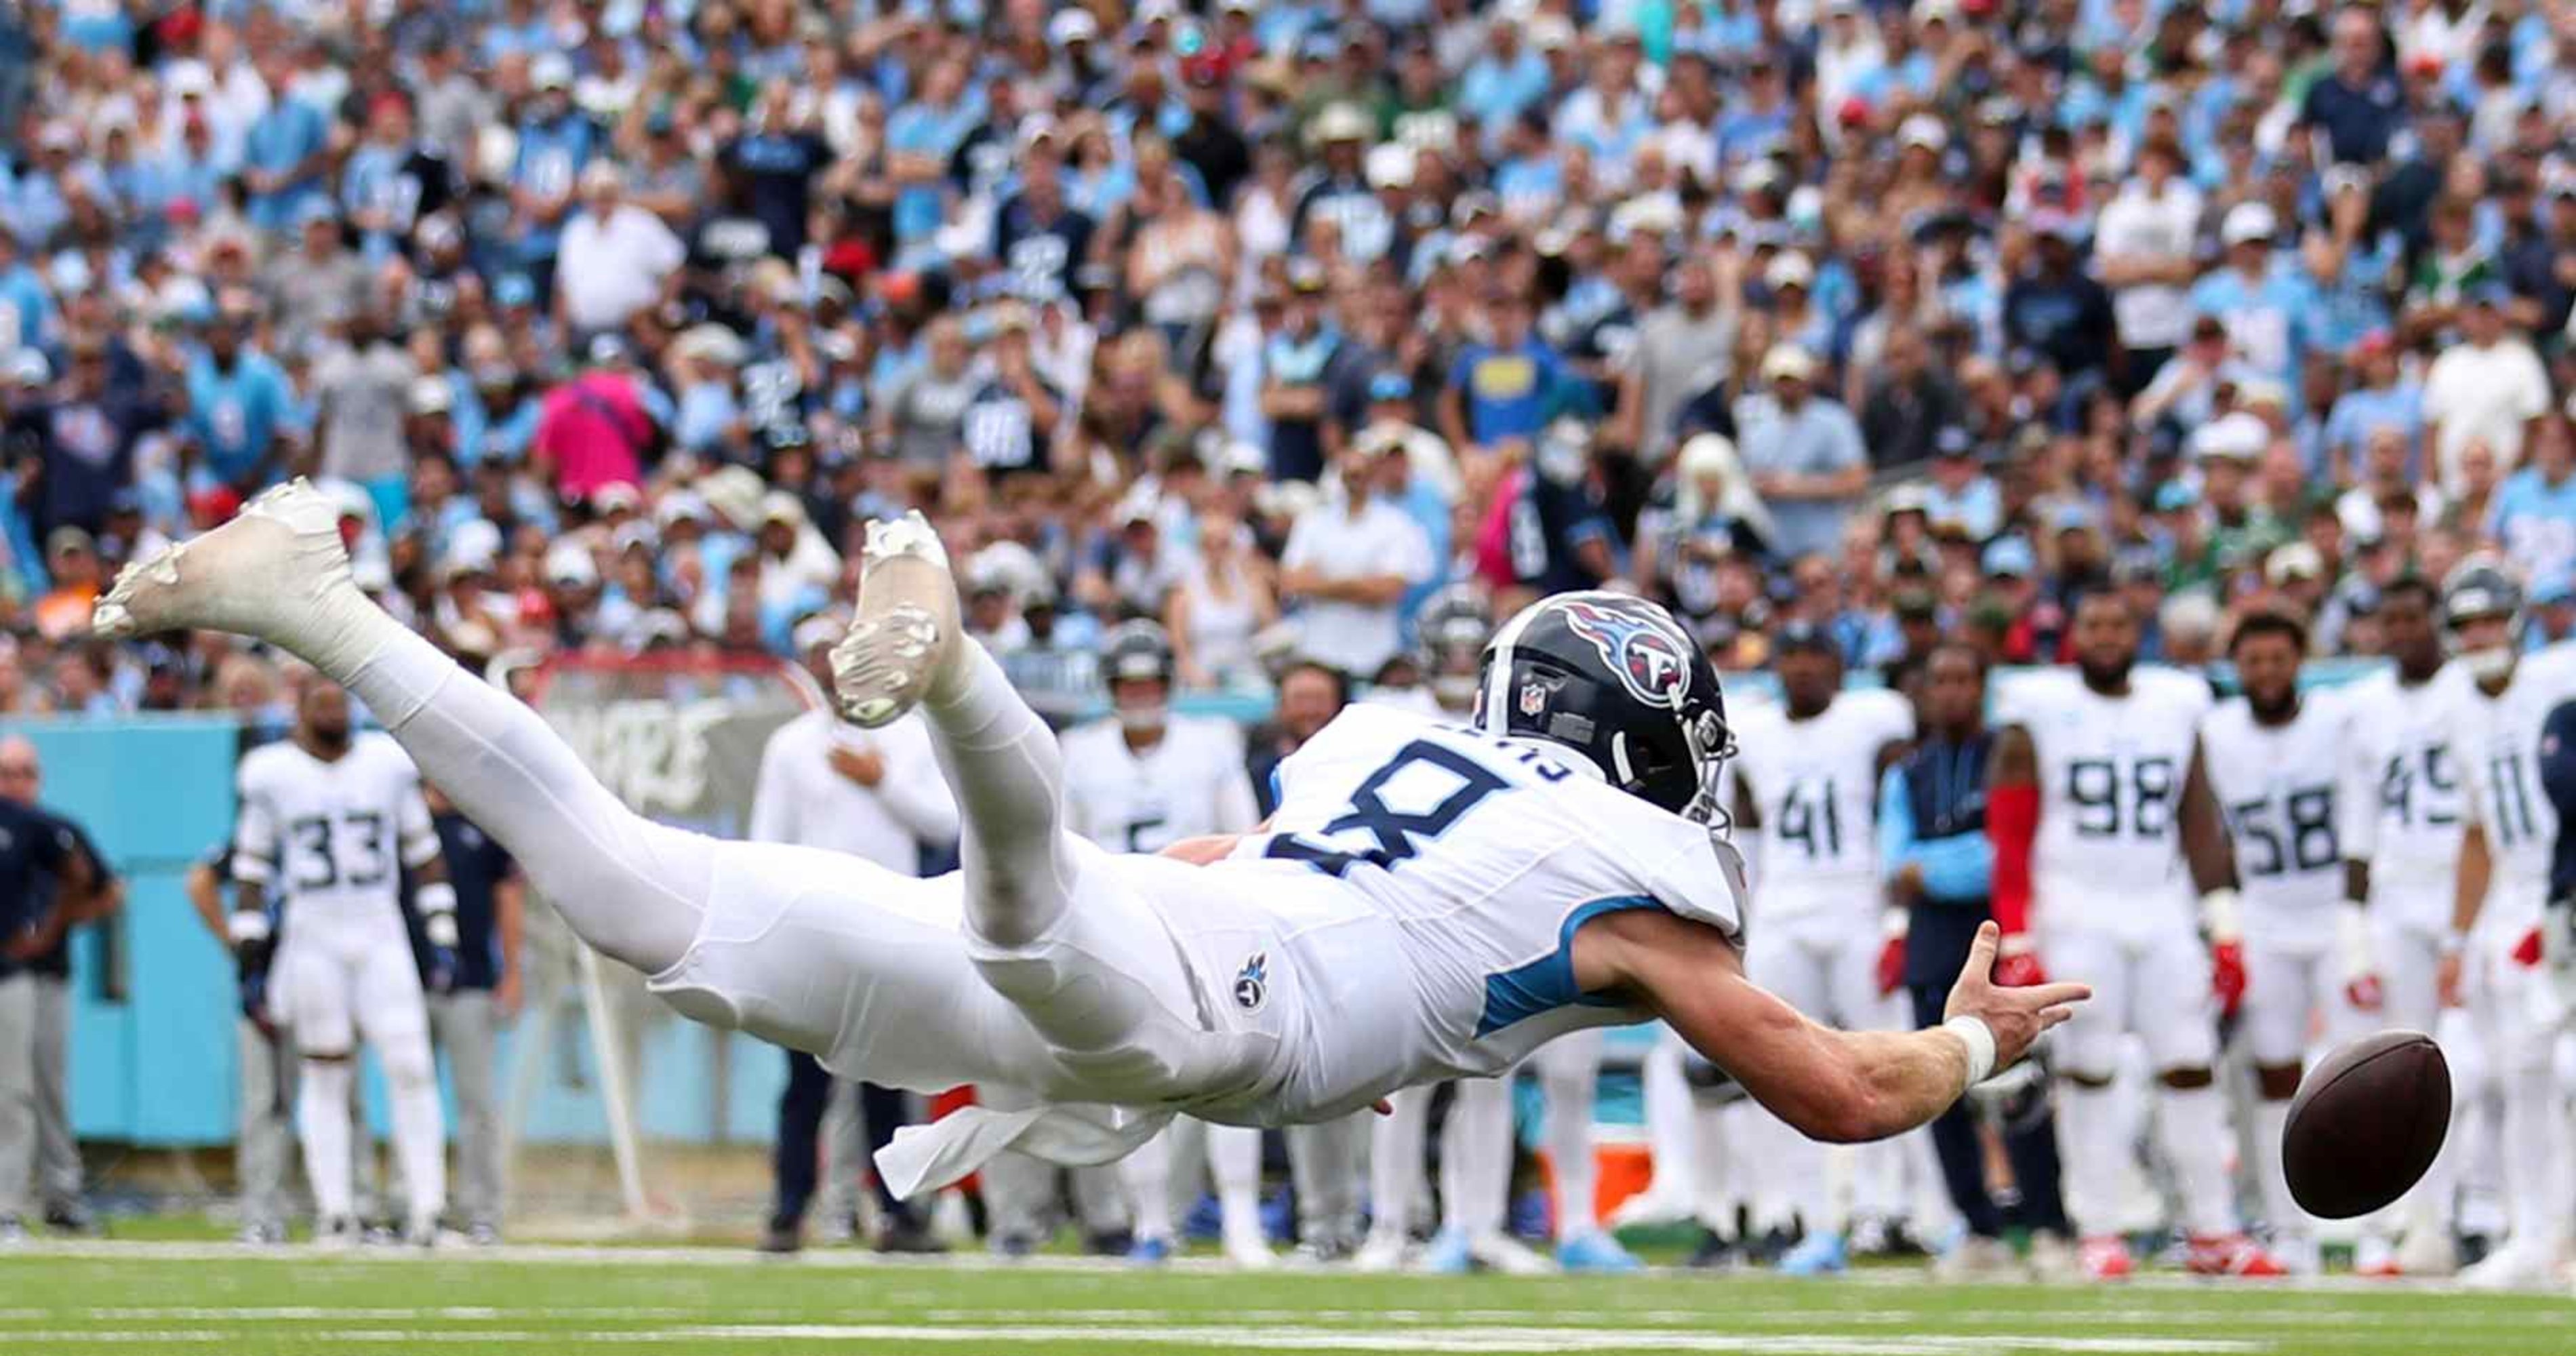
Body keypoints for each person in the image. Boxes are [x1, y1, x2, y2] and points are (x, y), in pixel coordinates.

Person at [94, 481, 2087, 1217]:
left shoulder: (1390, 738)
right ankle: (957, 675)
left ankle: (321, 606)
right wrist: (1981, 1034)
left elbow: (1234, 843)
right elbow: (1838, 1088)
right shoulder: (1634, 882)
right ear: (1649, 733)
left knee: (631, 890)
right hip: (1218, 1002)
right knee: (1056, 949)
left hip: (1180, 925)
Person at [1988, 591, 2285, 1280]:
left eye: (2117, 623)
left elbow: (2197, 818)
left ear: (2137, 632)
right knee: (2089, 1066)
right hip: (2076, 904)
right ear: (2073, 632)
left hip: (2159, 903)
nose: (2105, 633)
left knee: (2188, 1061)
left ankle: (2212, 1227)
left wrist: (2224, 922)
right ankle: (2098, 1225)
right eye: (2092, 621)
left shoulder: (2174, 701)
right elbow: (2009, 825)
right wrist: (2016, 931)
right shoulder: (2036, 705)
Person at [746, 616, 959, 1256]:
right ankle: (789, 1213)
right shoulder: (790, 745)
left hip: (886, 928)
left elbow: (943, 824)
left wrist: (881, 780)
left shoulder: (909, 738)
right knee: (805, 1086)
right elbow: (766, 842)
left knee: (885, 1084)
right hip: (813, 934)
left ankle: (898, 1215)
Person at [1060, 622, 1270, 1268]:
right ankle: (1151, 1224)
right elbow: (1064, 846)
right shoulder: (1079, 751)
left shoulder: (1210, 744)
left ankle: (1240, 1221)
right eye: (1131, 683)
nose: (1143, 694)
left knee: (1232, 1075)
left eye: (1152, 681)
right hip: (1120, 927)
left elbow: (1245, 835)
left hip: (1203, 923)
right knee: (1136, 1082)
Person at [1352, 587, 1547, 1275]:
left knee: (1490, 1079)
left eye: (1473, 649)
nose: (1461, 661)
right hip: (1409, 909)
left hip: (1490, 913)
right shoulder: (1392, 717)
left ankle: (1480, 1223)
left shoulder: (1513, 721)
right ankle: (1389, 1223)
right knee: (1403, 1084)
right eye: (1454, 648)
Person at [228, 677, 455, 1245]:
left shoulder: (386, 763)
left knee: (411, 1064)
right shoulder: (272, 773)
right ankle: (336, 1210)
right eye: (323, 703)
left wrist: (441, 924)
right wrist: (249, 938)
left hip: (380, 929)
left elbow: (422, 849)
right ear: (300, 710)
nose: (335, 712)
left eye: (341, 702)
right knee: (325, 1070)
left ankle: (428, 1208)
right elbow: (252, 863)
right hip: (313, 933)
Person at [1727, 622, 1919, 1274]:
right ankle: (1809, 1218)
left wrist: (1896, 911)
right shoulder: (1753, 733)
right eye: (1793, 654)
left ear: (1840, 668)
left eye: (1817, 656)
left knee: (1883, 1053)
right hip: (1785, 909)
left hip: (1856, 902)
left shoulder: (1872, 720)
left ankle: (1883, 1206)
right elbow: (1747, 833)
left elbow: (1901, 803)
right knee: (1787, 1068)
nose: (1804, 668)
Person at [1879, 643, 2076, 1279]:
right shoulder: (1907, 773)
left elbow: (2008, 855)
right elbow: (1894, 868)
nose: (1953, 691)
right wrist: (1954, 863)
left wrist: (1934, 867)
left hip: (1997, 945)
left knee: (2021, 1091)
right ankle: (1978, 1230)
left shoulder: (2010, 757)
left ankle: (2049, 1227)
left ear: (1984, 687)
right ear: (1925, 690)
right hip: (1933, 946)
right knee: (1941, 1092)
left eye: (1966, 678)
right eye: (1942, 679)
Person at [2179, 611, 2354, 1275]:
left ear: (2300, 658)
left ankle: (2372, 1227)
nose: (2265, 671)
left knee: (2358, 1069)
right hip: (2262, 916)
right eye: (2251, 660)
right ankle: (2288, 1224)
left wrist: (2358, 917)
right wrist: (2222, 923)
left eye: (2276, 657)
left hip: (2333, 909)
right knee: (2274, 1073)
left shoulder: (2336, 717)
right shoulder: (2216, 732)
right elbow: (2204, 829)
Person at [2436, 557, 2576, 1290]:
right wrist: (2459, 936)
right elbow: (2473, 832)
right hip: (2508, 898)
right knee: (2517, 1072)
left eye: (2489, 618)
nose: (2480, 634)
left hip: (2561, 886)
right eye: (2465, 624)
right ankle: (2533, 1231)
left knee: (2563, 1068)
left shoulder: (2559, 678)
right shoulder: (2452, 704)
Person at [2335, 576, 2470, 1277]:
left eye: (2413, 616)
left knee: (2488, 1064)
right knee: (2408, 1073)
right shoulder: (2363, 706)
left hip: (2466, 892)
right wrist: (2353, 925)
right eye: (2390, 618)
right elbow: (2357, 823)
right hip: (2395, 897)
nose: (2402, 629)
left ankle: (2487, 1215)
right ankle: (2419, 1222)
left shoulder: (2468, 689)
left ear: (2435, 620)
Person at [0, 736, 119, 1235]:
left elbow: (101, 886)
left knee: (48, 1089)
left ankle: (60, 1196)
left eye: (25, 772)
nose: (16, 783)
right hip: (8, 974)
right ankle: (8, 1202)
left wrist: (53, 928)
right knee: (14, 1091)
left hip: (48, 970)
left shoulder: (56, 828)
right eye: (8, 773)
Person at [418, 782, 521, 1245]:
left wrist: (513, 971)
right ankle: (418, 1203)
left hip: (472, 979)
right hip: (407, 982)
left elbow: (509, 897)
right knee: (412, 1099)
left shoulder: (484, 824)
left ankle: (482, 1208)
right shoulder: (406, 820)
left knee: (476, 1103)